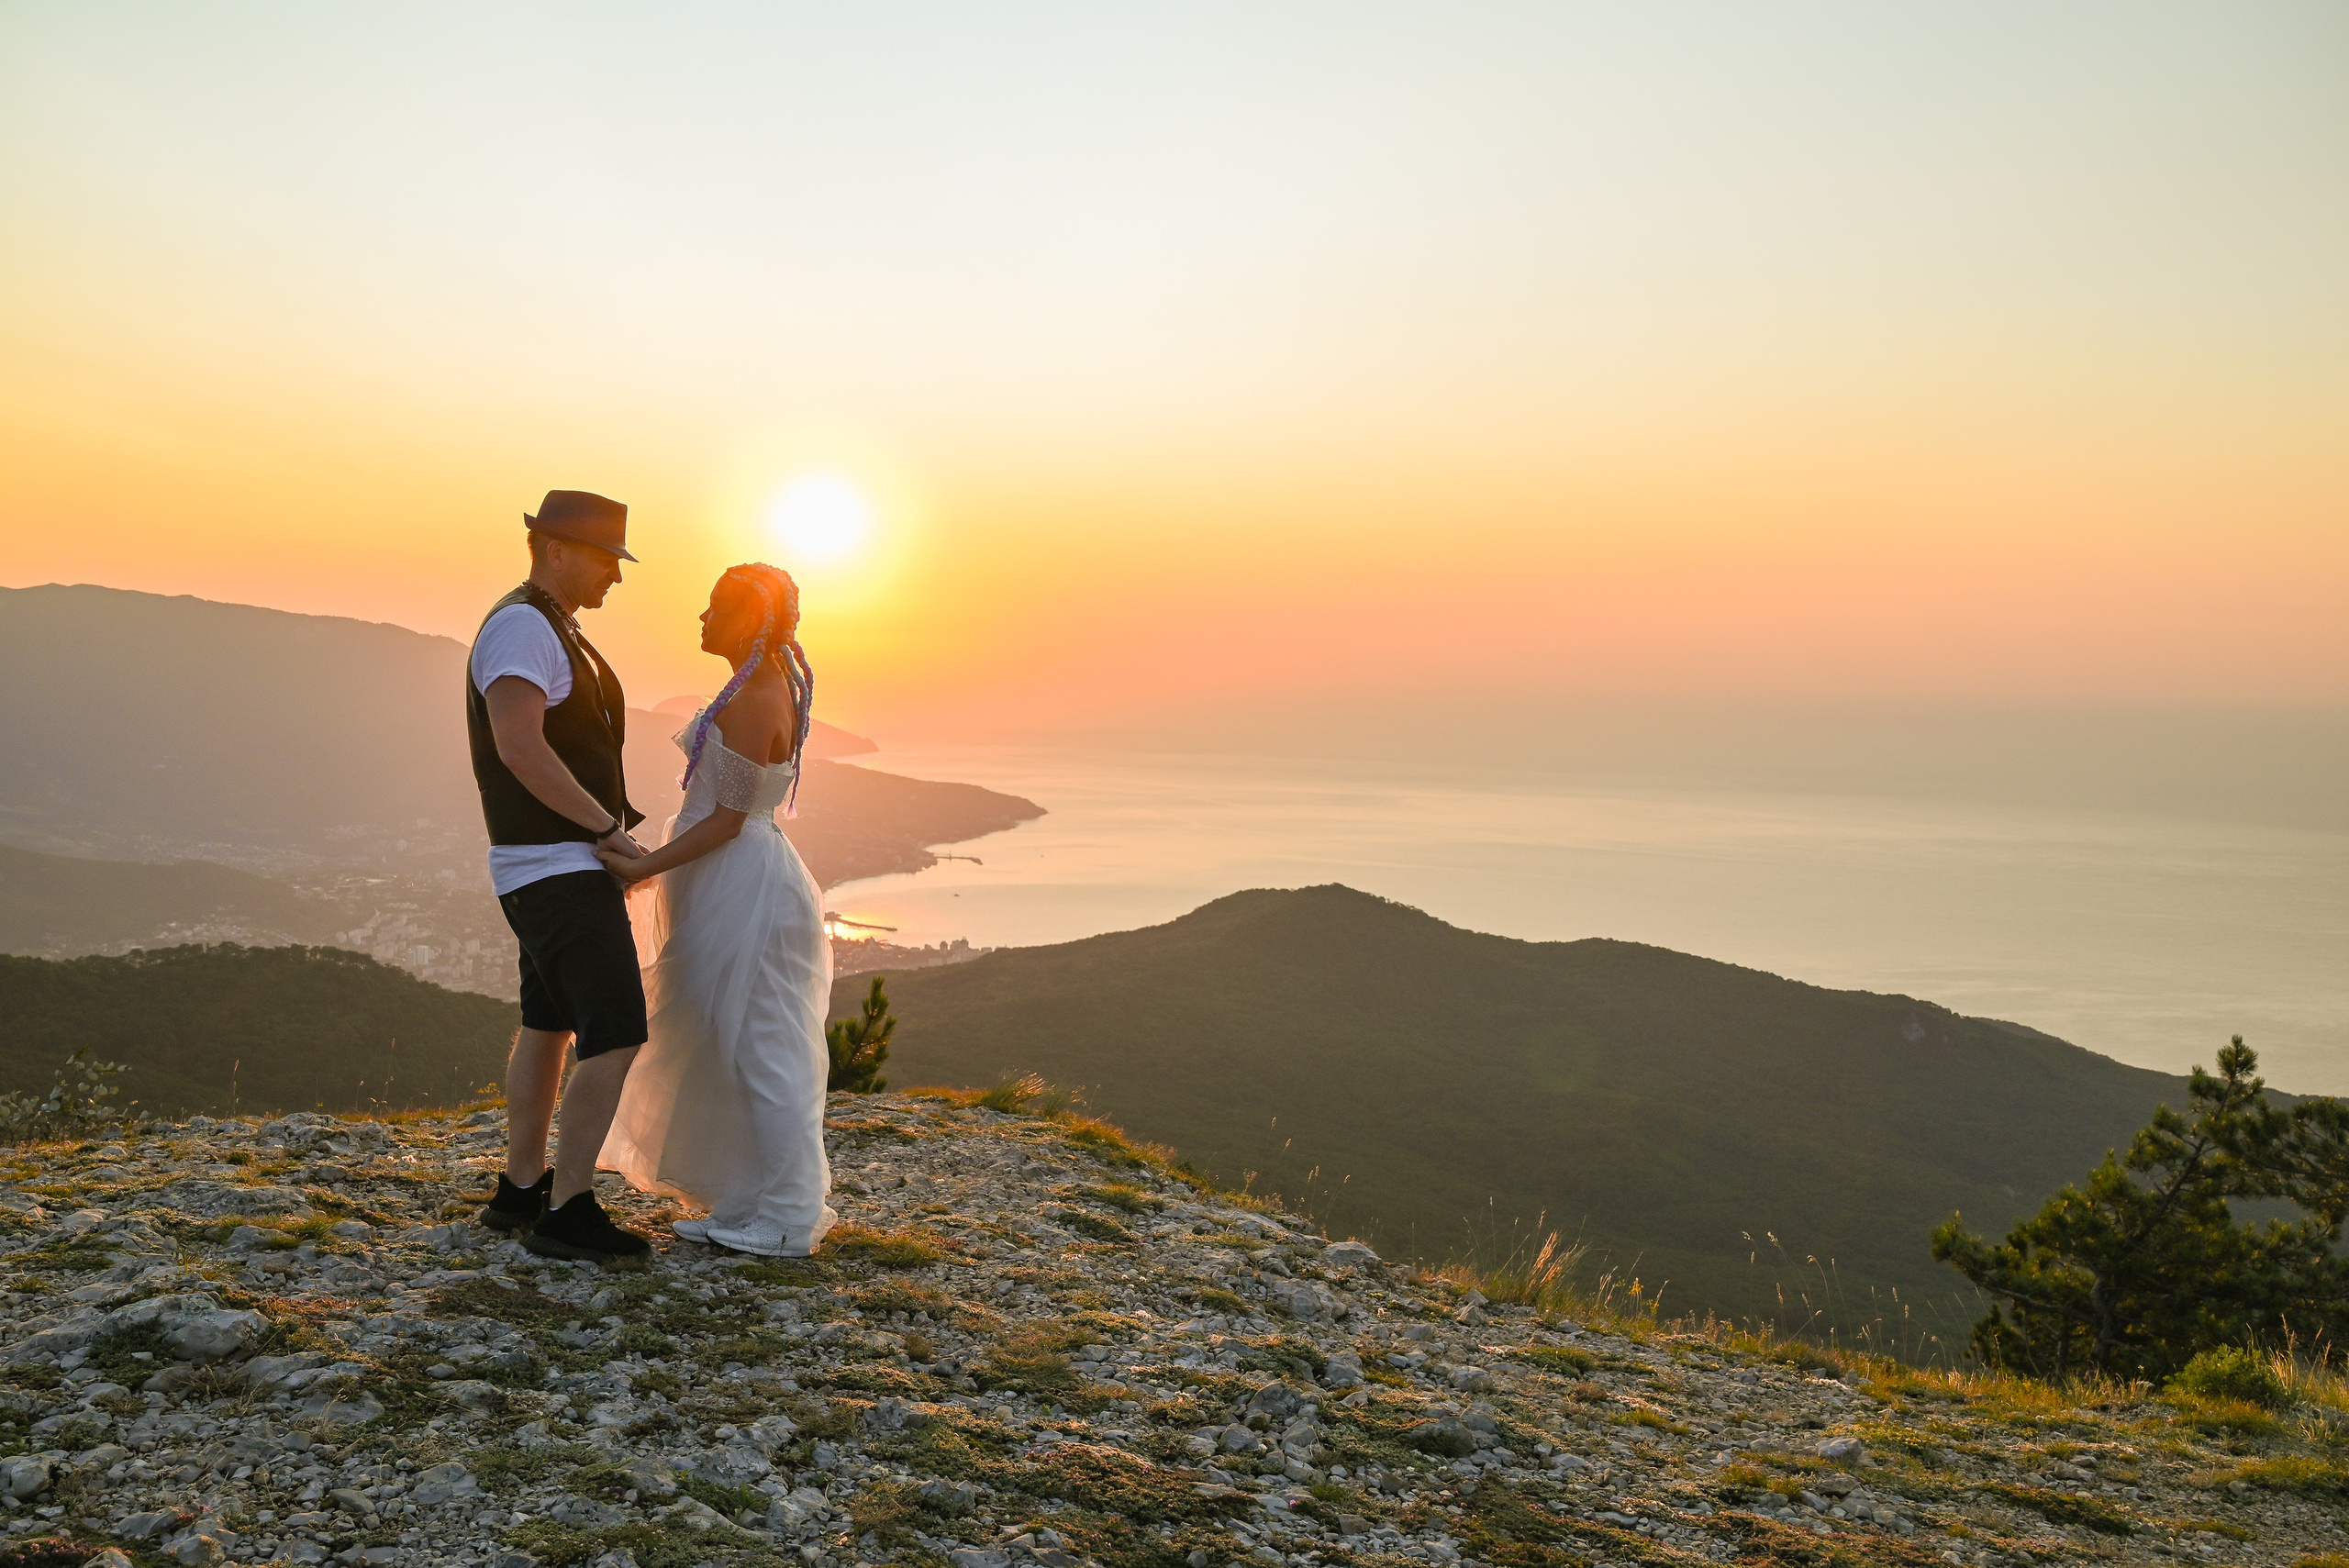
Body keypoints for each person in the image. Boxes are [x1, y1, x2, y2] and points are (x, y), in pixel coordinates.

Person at [594, 562, 838, 1258]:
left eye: (712, 608)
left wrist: (641, 867)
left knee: (761, 1046)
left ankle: (787, 1215)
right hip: (726, 877)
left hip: (742, 884)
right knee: (728, 1042)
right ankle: (745, 1198)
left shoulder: (754, 695)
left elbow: (729, 818)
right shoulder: (758, 685)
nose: (700, 619)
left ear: (745, 620)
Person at [464, 488, 655, 1262]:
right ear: (556, 549)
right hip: (556, 866)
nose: (616, 574)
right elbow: (519, 746)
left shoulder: (548, 626)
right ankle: (570, 1208)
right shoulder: (523, 626)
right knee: (614, 1031)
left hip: (542, 863)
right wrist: (606, 830)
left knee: (549, 1025)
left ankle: (521, 1188)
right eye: (608, 557)